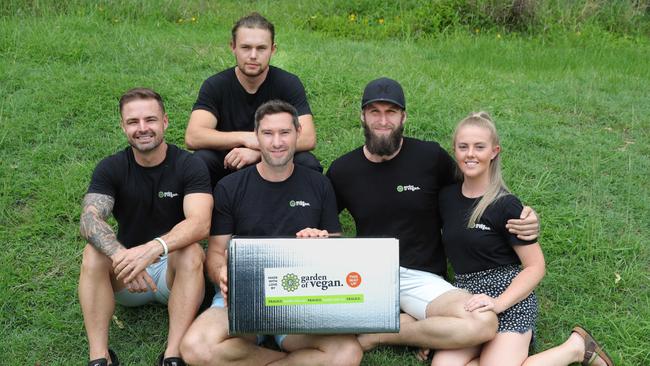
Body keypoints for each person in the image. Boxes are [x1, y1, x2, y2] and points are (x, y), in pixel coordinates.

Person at [326, 78, 540, 353]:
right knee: (318, 323)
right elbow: (325, 227)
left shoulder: (429, 157)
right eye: (374, 112)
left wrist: (526, 217)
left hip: (421, 277)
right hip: (369, 276)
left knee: (482, 322)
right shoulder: (343, 170)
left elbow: (472, 190)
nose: (382, 120)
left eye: (391, 112)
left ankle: (387, 333)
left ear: (403, 117)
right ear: (362, 116)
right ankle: (423, 329)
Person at [180, 100, 363, 366]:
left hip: (300, 294)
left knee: (348, 353)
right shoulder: (230, 187)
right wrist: (222, 273)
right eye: (268, 133)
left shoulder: (319, 185)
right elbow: (216, 252)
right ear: (256, 137)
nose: (276, 142)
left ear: (298, 133)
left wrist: (321, 242)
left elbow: (335, 247)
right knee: (195, 347)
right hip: (242, 293)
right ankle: (290, 360)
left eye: (284, 133)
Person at [428, 112, 613, 366]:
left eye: (479, 147)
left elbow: (535, 266)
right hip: (467, 299)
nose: (470, 154)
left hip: (510, 296)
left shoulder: (506, 205)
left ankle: (575, 347)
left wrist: (498, 303)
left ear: (494, 151)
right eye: (463, 147)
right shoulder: (446, 198)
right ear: (455, 150)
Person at [79, 88, 213, 366]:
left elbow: (200, 224)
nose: (142, 128)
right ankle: (99, 358)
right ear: (123, 126)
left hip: (172, 274)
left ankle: (173, 356)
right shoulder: (111, 167)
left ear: (165, 121)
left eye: (150, 120)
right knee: (92, 253)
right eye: (133, 122)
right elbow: (89, 219)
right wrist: (122, 257)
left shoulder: (190, 165)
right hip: (127, 272)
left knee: (192, 252)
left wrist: (153, 249)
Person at [185, 12, 321, 188]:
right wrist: (246, 138)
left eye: (261, 48)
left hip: (275, 161)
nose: (253, 55)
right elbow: (194, 136)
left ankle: (297, 211)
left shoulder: (288, 84)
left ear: (273, 49)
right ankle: (204, 213)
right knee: (200, 160)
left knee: (306, 162)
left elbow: (308, 137)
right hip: (229, 162)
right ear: (233, 47)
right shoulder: (216, 85)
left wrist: (259, 151)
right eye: (246, 47)